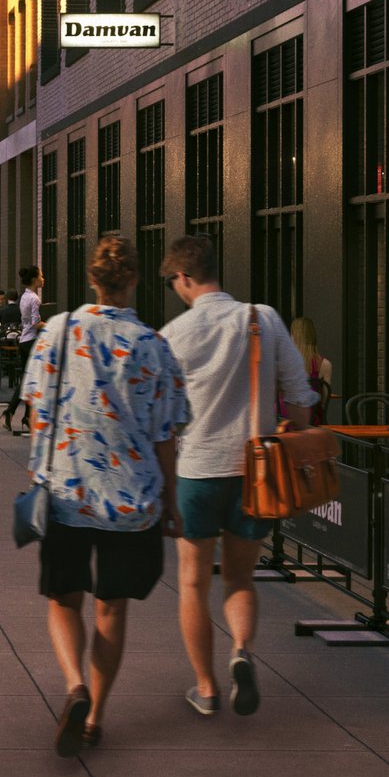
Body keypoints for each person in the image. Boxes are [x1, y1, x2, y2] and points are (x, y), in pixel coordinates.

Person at [24, 236, 187, 755]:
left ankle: (74, 684)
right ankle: (94, 716)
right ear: (135, 279)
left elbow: (36, 413)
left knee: (63, 598)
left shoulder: (58, 329)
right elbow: (166, 436)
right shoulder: (154, 346)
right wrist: (173, 502)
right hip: (131, 499)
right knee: (112, 610)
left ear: (91, 278)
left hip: (68, 490)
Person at [161, 234, 316, 720]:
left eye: (173, 282)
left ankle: (206, 688)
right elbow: (301, 393)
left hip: (198, 471)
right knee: (241, 576)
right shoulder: (262, 318)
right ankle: (242, 652)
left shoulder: (173, 335)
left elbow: (163, 416)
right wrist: (296, 439)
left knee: (191, 583)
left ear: (184, 278)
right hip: (256, 472)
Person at [2, 265, 45, 435]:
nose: (43, 279)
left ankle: (26, 416)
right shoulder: (34, 299)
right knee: (30, 380)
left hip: (23, 340)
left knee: (30, 379)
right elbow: (36, 323)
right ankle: (12, 411)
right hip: (32, 341)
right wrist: (52, 326)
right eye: (41, 276)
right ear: (34, 279)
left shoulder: (24, 297)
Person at [289, 317, 331, 424]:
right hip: (312, 419)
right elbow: (325, 398)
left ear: (294, 336)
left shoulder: (285, 361)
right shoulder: (324, 364)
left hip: (286, 418)